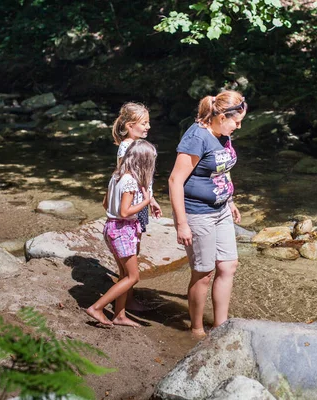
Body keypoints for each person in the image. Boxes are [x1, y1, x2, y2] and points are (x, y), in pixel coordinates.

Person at [168, 90, 247, 338]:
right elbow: (174, 181)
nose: (239, 126)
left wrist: (230, 199)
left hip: (221, 209)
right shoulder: (196, 138)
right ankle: (197, 329)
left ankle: (220, 327)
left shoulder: (223, 134)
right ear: (221, 116)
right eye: (237, 121)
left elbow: (222, 167)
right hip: (198, 213)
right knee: (203, 272)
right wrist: (182, 224)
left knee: (228, 266)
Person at [87, 139, 157, 327]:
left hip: (112, 227)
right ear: (144, 162)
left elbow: (105, 204)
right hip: (122, 230)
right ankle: (97, 307)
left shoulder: (117, 176)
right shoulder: (130, 182)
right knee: (133, 276)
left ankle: (119, 315)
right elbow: (125, 212)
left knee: (124, 274)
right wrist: (147, 201)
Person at [104, 102, 162, 311]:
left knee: (133, 252)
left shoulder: (135, 143)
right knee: (130, 254)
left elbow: (143, 179)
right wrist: (146, 201)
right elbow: (124, 176)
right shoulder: (126, 147)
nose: (148, 127)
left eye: (148, 123)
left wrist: (152, 199)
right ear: (130, 125)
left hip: (140, 202)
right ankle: (126, 299)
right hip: (133, 207)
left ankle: (127, 298)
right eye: (143, 123)